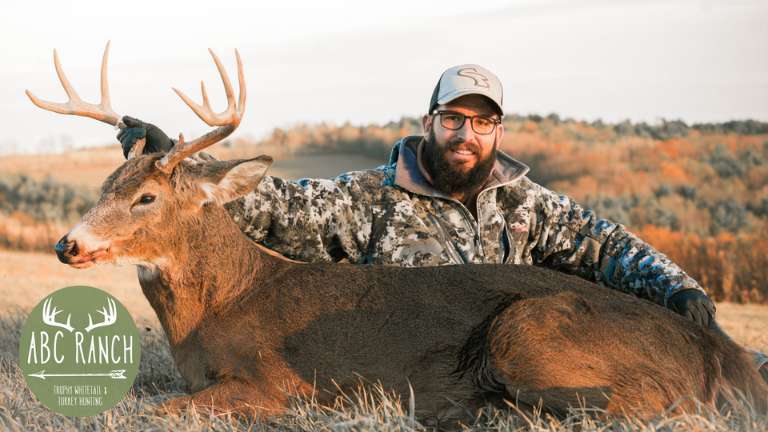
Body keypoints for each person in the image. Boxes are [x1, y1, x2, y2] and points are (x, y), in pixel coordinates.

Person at [119, 64, 715, 324]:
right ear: (429, 121)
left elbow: (606, 246)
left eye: (482, 122)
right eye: (453, 118)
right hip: (418, 363)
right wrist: (180, 166)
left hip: (514, 353)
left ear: (498, 130)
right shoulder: (372, 199)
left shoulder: (529, 205)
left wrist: (679, 289)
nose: (466, 134)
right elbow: (281, 208)